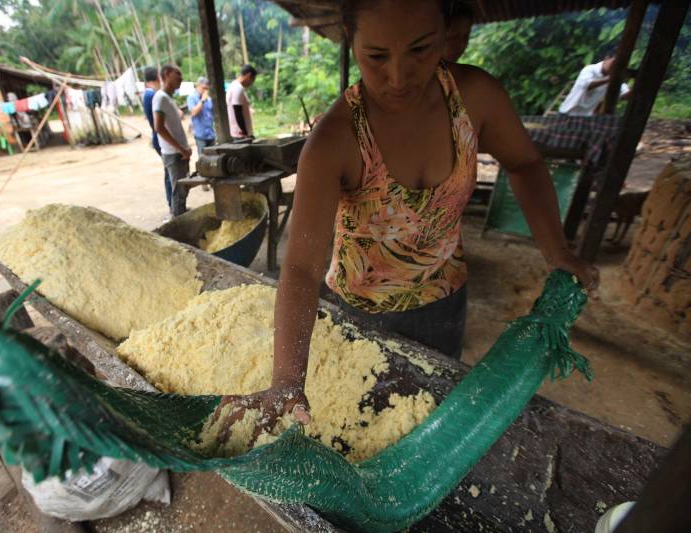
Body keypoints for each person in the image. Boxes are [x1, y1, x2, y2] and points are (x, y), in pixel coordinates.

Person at [215, 0, 599, 439]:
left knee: (426, 424)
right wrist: (286, 380)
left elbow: (526, 164)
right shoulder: (335, 140)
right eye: (377, 57)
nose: (398, 78)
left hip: (444, 301)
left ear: (445, 33)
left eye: (420, 50)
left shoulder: (475, 99)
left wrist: (557, 250)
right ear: (350, 39)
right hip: (360, 313)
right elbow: (301, 267)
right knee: (365, 431)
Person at [153, 64, 192, 217]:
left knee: (182, 191)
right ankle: (179, 224)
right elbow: (159, 128)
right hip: (174, 153)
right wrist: (181, 149)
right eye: (178, 74)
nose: (181, 78)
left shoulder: (168, 98)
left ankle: (180, 215)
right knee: (179, 192)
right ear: (167, 74)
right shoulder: (160, 98)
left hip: (179, 152)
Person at [142, 67, 173, 211]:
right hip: (160, 139)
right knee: (170, 172)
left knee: (169, 172)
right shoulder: (152, 96)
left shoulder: (150, 95)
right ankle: (173, 205)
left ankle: (173, 204)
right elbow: (158, 125)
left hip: (158, 138)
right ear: (157, 79)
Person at [559, 55, 631, 116]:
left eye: (619, 65)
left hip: (585, 118)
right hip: (567, 113)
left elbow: (625, 96)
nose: (615, 66)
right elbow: (587, 85)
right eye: (614, 62)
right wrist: (611, 79)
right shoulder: (589, 69)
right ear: (607, 58)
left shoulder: (615, 78)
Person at [226, 64, 258, 139]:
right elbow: (237, 111)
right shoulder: (238, 88)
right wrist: (245, 132)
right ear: (249, 76)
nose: (252, 83)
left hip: (239, 133)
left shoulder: (234, 85)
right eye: (252, 80)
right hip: (240, 134)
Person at [187, 76, 216, 154]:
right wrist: (202, 100)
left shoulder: (209, 99)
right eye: (203, 88)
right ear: (197, 86)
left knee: (213, 158)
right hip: (201, 135)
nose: (205, 91)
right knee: (203, 160)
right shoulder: (192, 98)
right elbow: (193, 112)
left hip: (211, 134)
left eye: (207, 89)